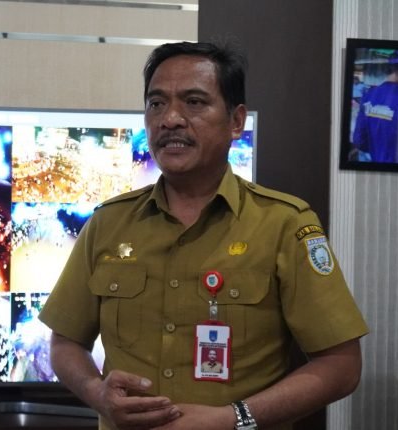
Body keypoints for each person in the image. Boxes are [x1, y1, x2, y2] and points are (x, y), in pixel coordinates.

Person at [39, 41, 368, 430]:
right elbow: (65, 343)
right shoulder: (108, 223)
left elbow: (341, 365)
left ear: (236, 121)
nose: (170, 119)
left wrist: (234, 418)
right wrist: (98, 394)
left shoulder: (285, 224)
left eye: (194, 102)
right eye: (156, 103)